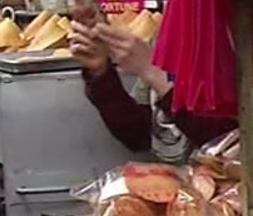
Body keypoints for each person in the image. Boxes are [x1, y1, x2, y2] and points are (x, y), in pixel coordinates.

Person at [70, 18, 231, 164]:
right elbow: (138, 135)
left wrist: (151, 71)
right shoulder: (172, 31)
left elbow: (228, 145)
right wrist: (100, 72)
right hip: (175, 182)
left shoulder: (238, 36)